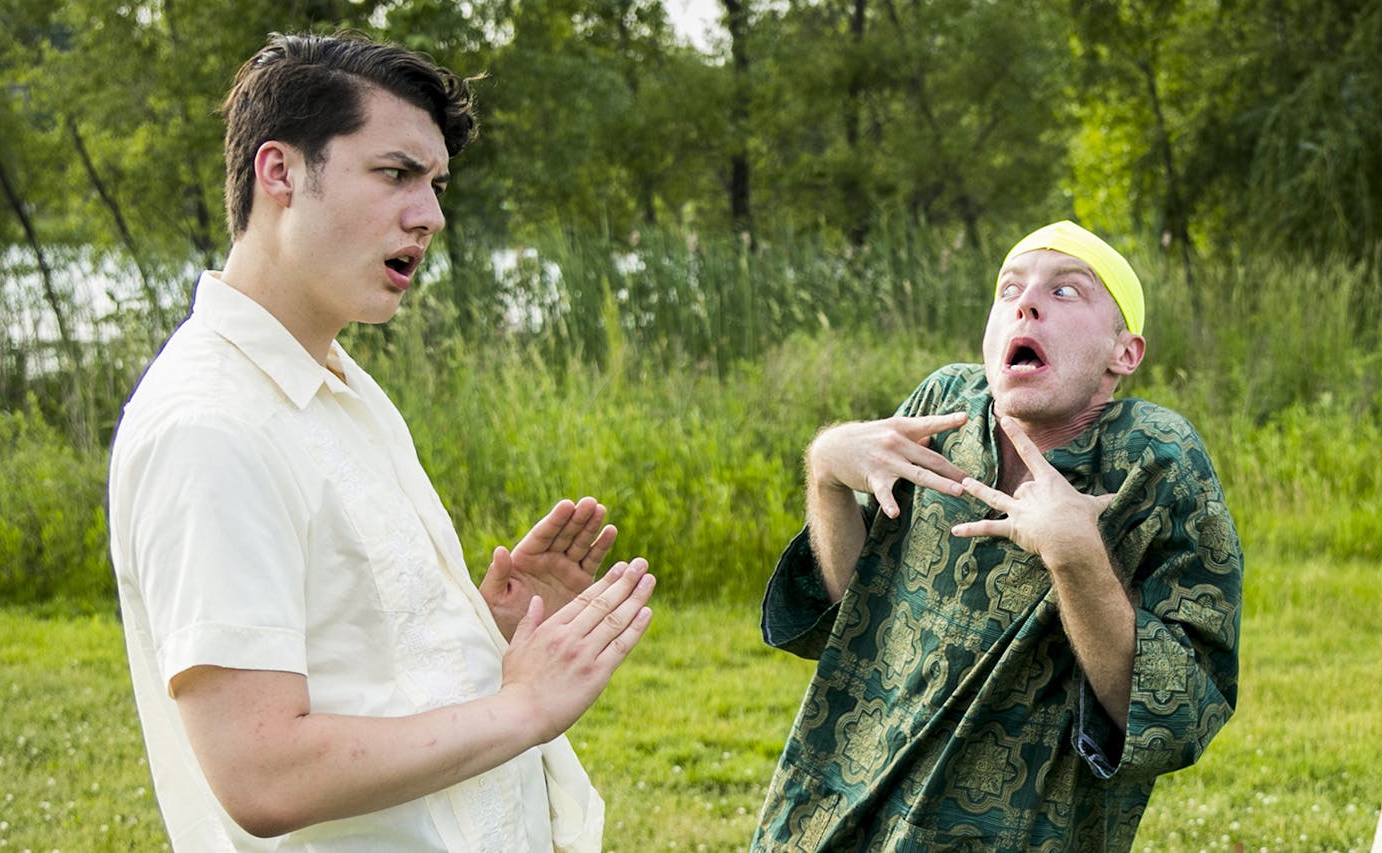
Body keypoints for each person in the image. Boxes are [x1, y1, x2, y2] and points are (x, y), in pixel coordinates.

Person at [107, 32, 655, 852]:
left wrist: (485, 633)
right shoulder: (210, 426)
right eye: (395, 174)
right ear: (280, 172)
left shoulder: (336, 380)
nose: (430, 214)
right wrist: (520, 705)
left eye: (435, 184)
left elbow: (356, 658)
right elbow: (262, 771)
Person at [751, 221, 1242, 851]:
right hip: (832, 809)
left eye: (1067, 292)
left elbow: (1178, 715)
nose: (1026, 301)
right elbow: (854, 617)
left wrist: (1076, 555)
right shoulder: (945, 405)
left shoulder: (1159, 461)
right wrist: (825, 472)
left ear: (1125, 353)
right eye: (1010, 287)